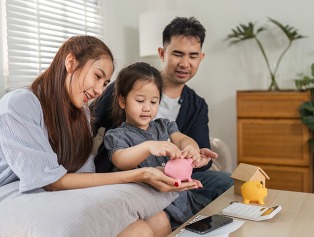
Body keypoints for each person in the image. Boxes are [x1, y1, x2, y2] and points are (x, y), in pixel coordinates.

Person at [0, 36, 201, 237]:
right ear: (70, 62)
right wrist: (139, 175)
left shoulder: (81, 114)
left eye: (105, 83)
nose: (99, 90)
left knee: (151, 226)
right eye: (97, 76)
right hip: (16, 189)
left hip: (56, 187)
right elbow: (50, 180)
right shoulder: (19, 103)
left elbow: (84, 175)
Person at [91, 17, 233, 202]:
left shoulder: (196, 105)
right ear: (162, 53)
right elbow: (88, 124)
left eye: (193, 56)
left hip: (174, 173)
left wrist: (194, 155)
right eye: (177, 54)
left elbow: (191, 145)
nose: (184, 63)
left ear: (201, 58)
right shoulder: (127, 85)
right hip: (126, 175)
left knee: (227, 183)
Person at [104, 61, 219, 230]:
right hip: (152, 202)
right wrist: (148, 146)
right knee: (161, 223)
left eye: (153, 101)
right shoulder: (116, 135)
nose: (146, 108)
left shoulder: (164, 125)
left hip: (179, 197)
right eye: (140, 100)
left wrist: (191, 148)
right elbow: (121, 160)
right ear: (122, 101)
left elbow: (182, 139)